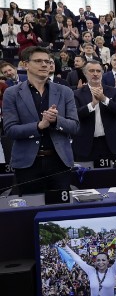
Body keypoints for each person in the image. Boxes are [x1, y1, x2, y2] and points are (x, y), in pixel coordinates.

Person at [2, 47, 79, 194]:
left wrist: (56, 121)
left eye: (47, 61)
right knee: (30, 211)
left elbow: (75, 126)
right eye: (38, 61)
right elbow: (10, 130)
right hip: (27, 164)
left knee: (60, 211)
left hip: (59, 163)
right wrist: (39, 126)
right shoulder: (11, 93)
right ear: (25, 65)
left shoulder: (65, 91)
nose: (45, 65)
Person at [73, 60, 116, 162]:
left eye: (98, 71)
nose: (95, 74)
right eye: (91, 71)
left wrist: (104, 99)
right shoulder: (76, 94)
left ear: (102, 73)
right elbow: (75, 115)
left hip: (112, 144)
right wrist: (92, 104)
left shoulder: (113, 91)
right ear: (85, 73)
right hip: (86, 144)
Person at [59, 232, 116, 296]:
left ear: (107, 261)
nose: (100, 262)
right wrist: (65, 247)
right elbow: (78, 260)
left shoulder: (112, 271)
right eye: (98, 260)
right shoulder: (91, 271)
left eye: (103, 260)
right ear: (95, 262)